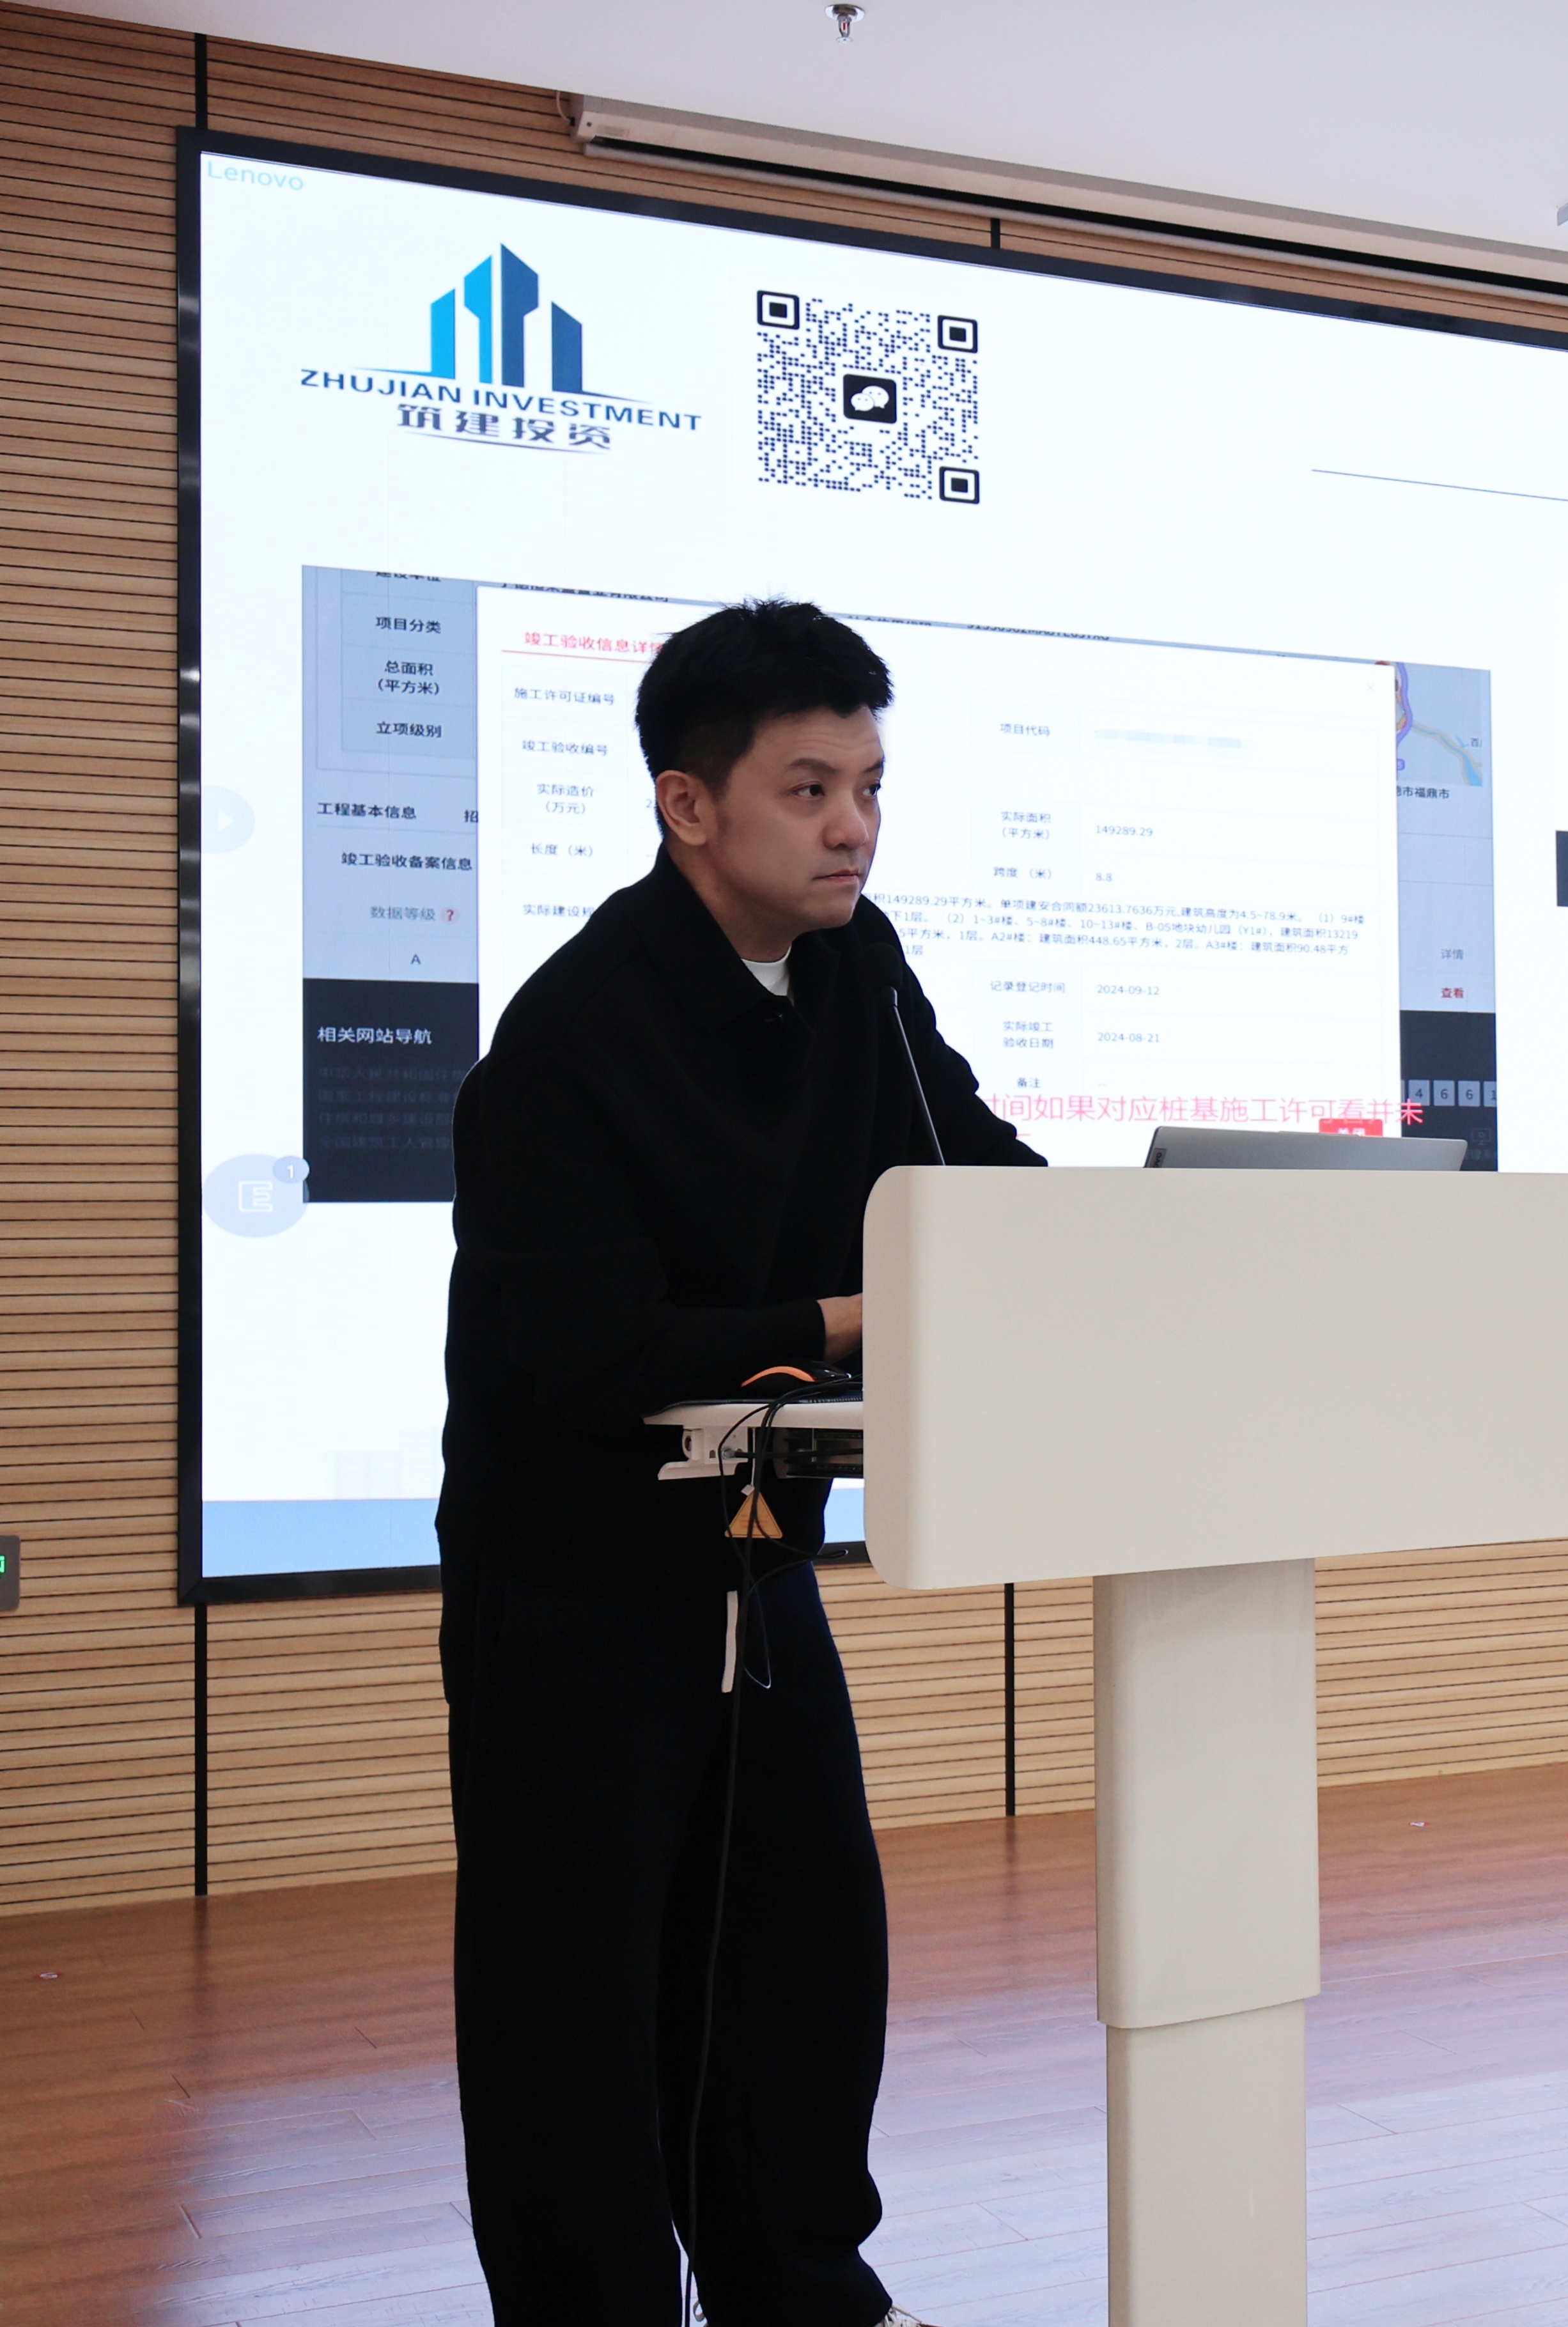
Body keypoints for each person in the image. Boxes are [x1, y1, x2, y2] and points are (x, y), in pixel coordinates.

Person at [437, 600, 1040, 2326]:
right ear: (688, 806)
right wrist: (855, 1312)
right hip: (575, 1585)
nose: (854, 828)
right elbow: (598, 1357)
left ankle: (803, 2296)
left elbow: (968, 1167)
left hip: (760, 1552)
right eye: (809, 790)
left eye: (871, 786)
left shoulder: (859, 966)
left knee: (800, 1961)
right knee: (579, 2001)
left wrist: (1080, 1254)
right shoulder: (573, 1037)